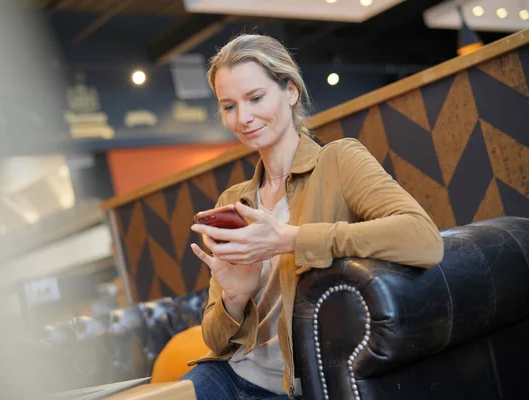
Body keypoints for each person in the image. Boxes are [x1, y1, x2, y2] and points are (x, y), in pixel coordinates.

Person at [180, 34, 444, 400]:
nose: (243, 118)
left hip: (292, 389)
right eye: (229, 106)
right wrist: (234, 298)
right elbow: (214, 340)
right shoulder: (233, 200)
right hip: (228, 375)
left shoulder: (338, 161)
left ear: (290, 91)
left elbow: (424, 240)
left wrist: (290, 238)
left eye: (256, 98)